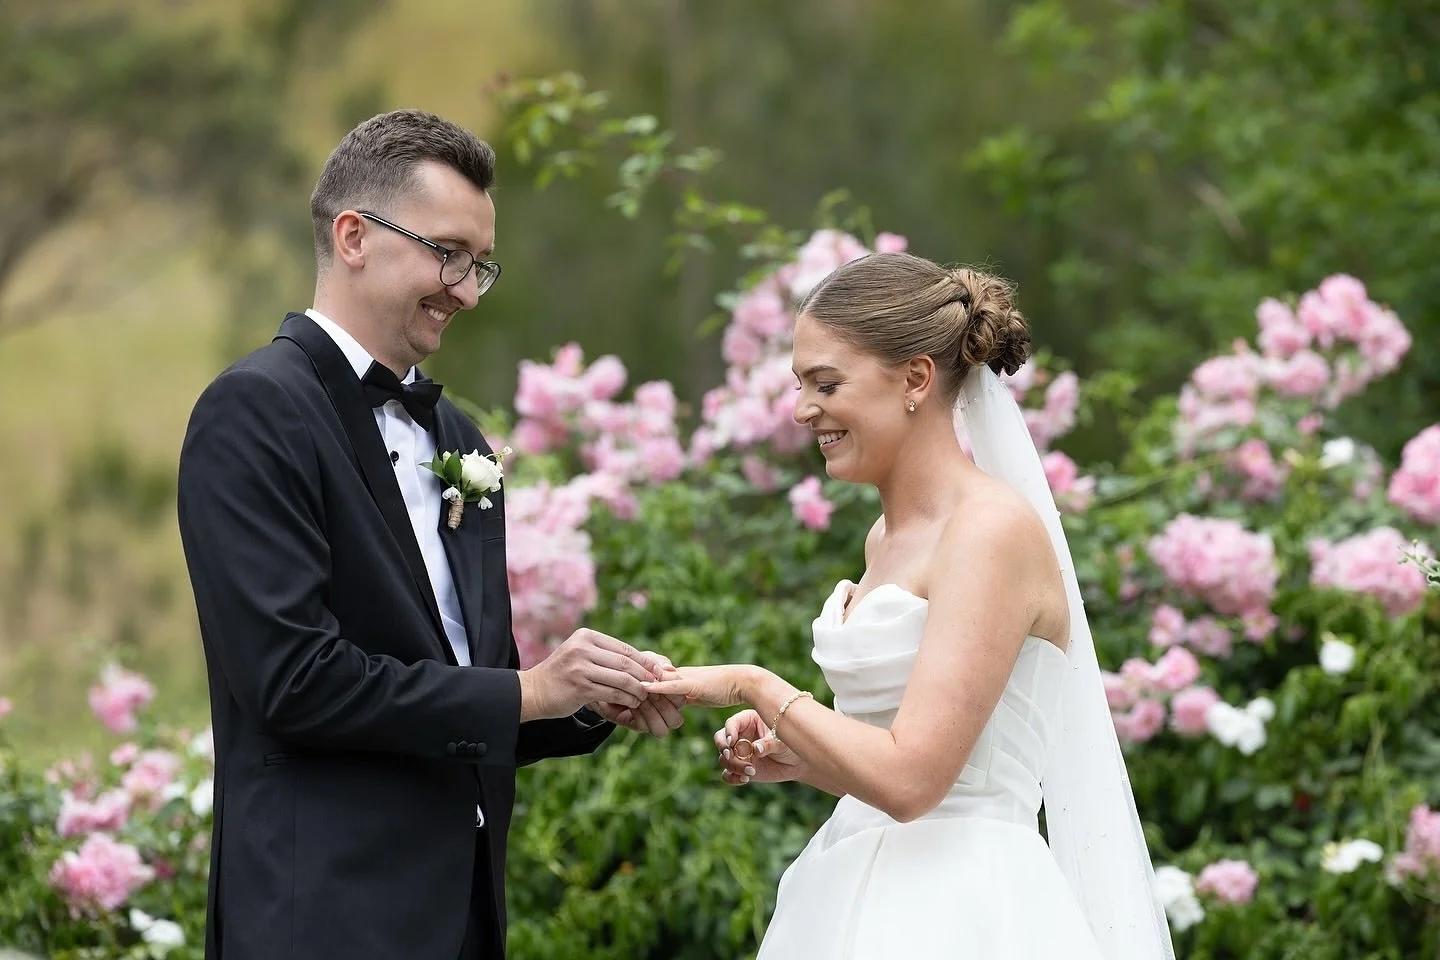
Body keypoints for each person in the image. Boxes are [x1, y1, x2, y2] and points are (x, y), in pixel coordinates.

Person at [176, 109, 681, 960]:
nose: (468, 291)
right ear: (354, 237)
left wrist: (589, 696)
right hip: (321, 918)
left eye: (480, 264)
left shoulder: (459, 438)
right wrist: (528, 694)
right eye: (447, 253)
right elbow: (294, 680)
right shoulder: (254, 410)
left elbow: (467, 683)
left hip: (464, 917)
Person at [645, 252, 1176, 958]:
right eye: (801, 385)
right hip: (852, 889)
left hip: (966, 904)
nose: (803, 410)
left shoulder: (988, 531)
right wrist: (803, 755)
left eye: (826, 383)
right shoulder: (883, 539)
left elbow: (915, 781)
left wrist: (756, 686)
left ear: (916, 379)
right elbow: (906, 754)